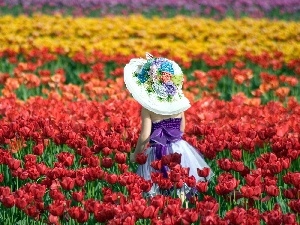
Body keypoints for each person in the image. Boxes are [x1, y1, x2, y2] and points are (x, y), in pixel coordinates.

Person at [124, 53, 213, 198]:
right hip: (180, 149)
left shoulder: (148, 108)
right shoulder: (178, 103)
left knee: (157, 190)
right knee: (181, 186)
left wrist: (136, 155)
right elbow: (182, 129)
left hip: (157, 151)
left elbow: (145, 136)